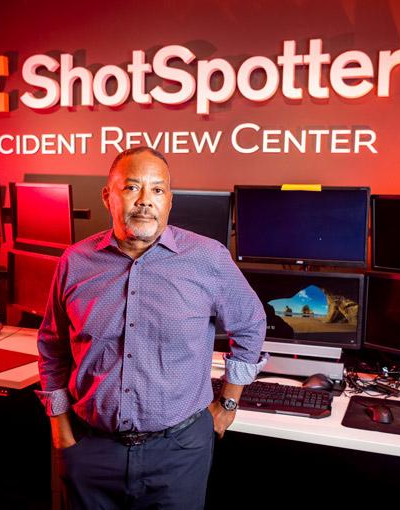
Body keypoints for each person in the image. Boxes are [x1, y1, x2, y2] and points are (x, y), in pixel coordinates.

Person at [36, 146, 267, 510]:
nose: (145, 200)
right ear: (107, 196)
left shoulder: (207, 258)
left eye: (157, 190)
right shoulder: (75, 262)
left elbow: (250, 324)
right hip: (91, 450)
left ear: (169, 201)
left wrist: (228, 402)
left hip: (179, 453)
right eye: (132, 187)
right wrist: (60, 427)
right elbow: (53, 346)